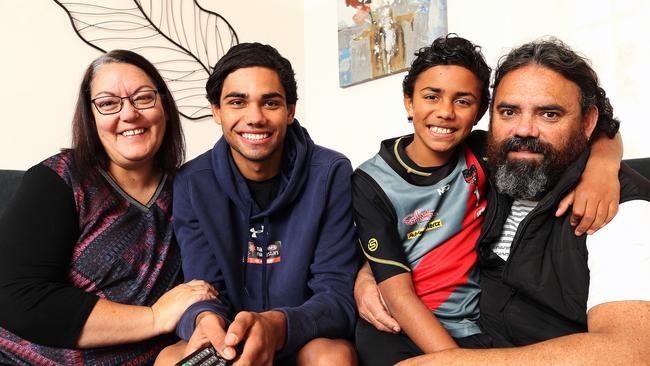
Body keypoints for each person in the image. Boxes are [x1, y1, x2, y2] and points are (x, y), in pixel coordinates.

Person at [353, 35, 623, 366]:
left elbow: (602, 129)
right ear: (409, 102)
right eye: (431, 97)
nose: (445, 112)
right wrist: (367, 273)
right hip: (400, 327)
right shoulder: (371, 181)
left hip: (470, 329)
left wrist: (603, 169)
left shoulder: (490, 153)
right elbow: (396, 285)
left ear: (482, 111)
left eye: (463, 101)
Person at [0, 50, 216, 365]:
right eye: (108, 103)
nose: (129, 114)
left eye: (143, 98)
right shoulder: (59, 179)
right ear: (91, 117)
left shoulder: (191, 192)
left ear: (165, 109)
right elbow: (17, 297)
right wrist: (154, 317)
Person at [157, 43, 359, 365]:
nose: (255, 118)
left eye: (270, 103)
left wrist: (277, 326)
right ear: (216, 111)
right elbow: (202, 288)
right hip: (231, 340)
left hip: (300, 336)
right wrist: (204, 320)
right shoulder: (192, 182)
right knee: (170, 358)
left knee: (333, 356)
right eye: (237, 102)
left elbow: (336, 296)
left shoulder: (330, 173)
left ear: (290, 110)